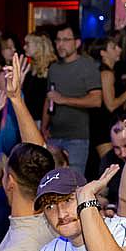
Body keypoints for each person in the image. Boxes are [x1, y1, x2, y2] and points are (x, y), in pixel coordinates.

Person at [45, 24, 105, 175]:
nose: (60, 44)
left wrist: (64, 100)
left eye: (65, 40)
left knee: (73, 181)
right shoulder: (53, 68)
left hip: (77, 137)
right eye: (58, 40)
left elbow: (96, 100)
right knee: (50, 179)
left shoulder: (87, 66)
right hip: (53, 135)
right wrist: (44, 127)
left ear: (77, 43)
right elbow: (49, 98)